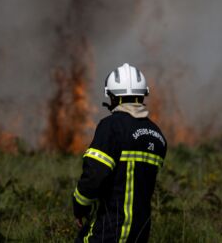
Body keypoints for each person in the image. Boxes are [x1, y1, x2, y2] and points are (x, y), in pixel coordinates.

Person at [72, 63, 167, 243]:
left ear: (113, 97)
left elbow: (94, 174)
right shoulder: (157, 134)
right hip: (141, 232)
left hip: (111, 230)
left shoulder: (111, 127)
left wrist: (79, 206)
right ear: (142, 96)